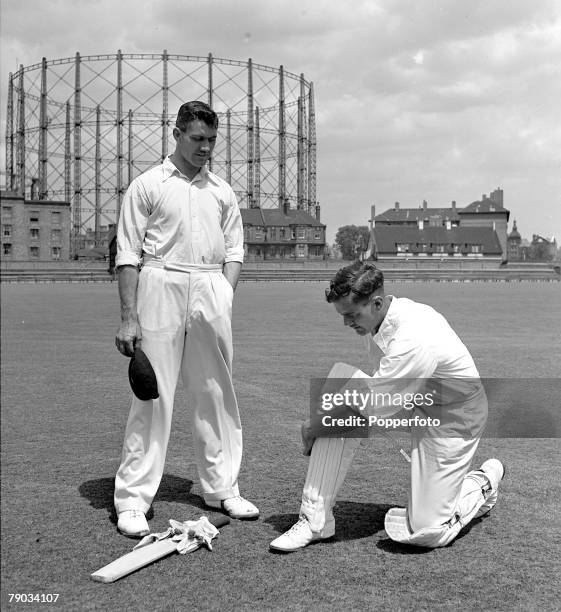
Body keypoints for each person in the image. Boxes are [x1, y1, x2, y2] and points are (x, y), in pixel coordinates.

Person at [270, 261, 504, 552]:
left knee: (427, 531)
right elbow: (368, 400)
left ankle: (482, 482)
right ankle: (314, 520)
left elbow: (363, 407)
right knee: (341, 383)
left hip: (453, 416)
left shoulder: (413, 338)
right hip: (412, 400)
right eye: (342, 315)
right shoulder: (380, 319)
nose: (346, 322)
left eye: (352, 314)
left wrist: (311, 427)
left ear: (377, 302)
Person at [114, 100, 259, 537]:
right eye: (198, 139)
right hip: (160, 282)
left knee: (216, 392)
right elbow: (127, 253)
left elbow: (235, 249)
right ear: (176, 133)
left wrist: (223, 292)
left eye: (212, 140)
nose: (206, 148)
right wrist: (128, 318)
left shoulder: (221, 191)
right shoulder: (147, 185)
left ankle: (221, 487)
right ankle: (134, 499)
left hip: (210, 286)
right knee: (153, 395)